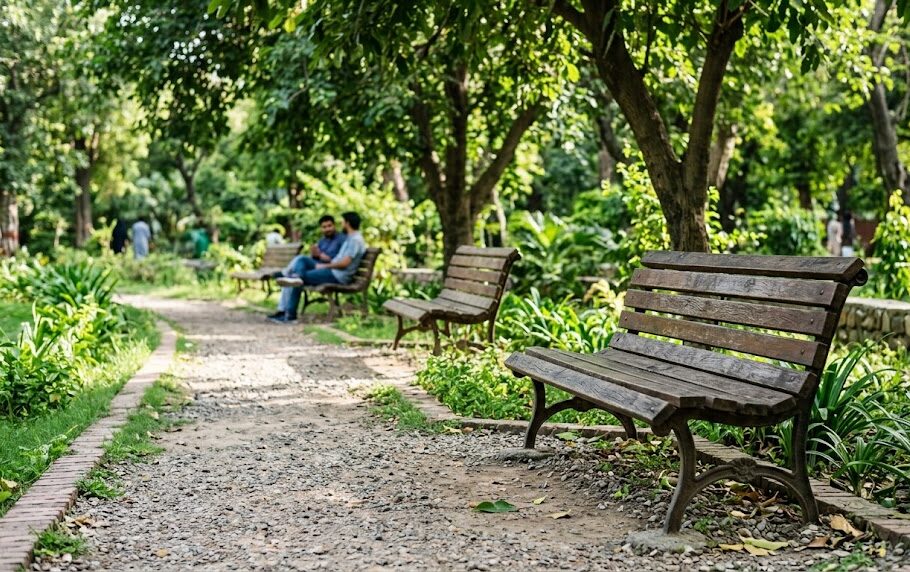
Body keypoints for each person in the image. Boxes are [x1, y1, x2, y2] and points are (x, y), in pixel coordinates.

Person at [270, 211, 367, 323]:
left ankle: (290, 315)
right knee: (301, 261)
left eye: (343, 222)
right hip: (332, 271)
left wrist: (325, 265)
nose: (341, 224)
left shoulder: (354, 240)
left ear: (347, 223)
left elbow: (344, 263)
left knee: (296, 278)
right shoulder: (351, 238)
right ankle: (293, 281)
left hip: (337, 275)